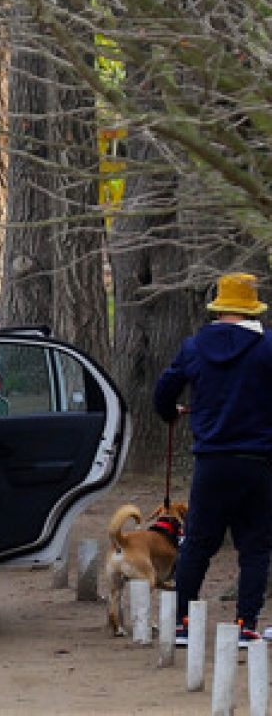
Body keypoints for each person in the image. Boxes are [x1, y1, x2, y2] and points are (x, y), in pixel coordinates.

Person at [154, 272, 272, 648]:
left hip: (211, 461)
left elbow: (164, 390)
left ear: (219, 308)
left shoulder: (193, 347)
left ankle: (183, 623)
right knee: (254, 547)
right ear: (252, 309)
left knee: (198, 545)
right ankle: (246, 624)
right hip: (258, 461)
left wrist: (171, 411)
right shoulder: (268, 347)